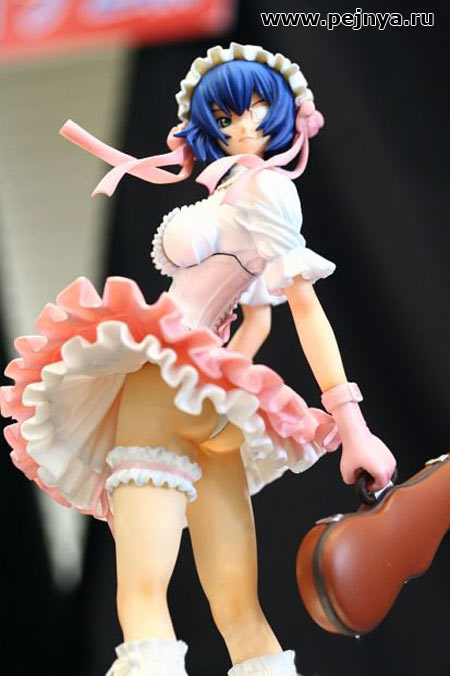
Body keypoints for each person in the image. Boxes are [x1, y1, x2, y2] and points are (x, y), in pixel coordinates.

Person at [0, 43, 396, 676]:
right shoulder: (243, 192)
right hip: (206, 401)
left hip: (162, 390)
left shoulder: (265, 191)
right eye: (226, 116)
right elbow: (259, 316)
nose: (242, 126)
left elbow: (304, 305)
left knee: (144, 597)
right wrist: (219, 378)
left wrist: (353, 424)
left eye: (257, 108)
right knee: (238, 607)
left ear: (286, 114)